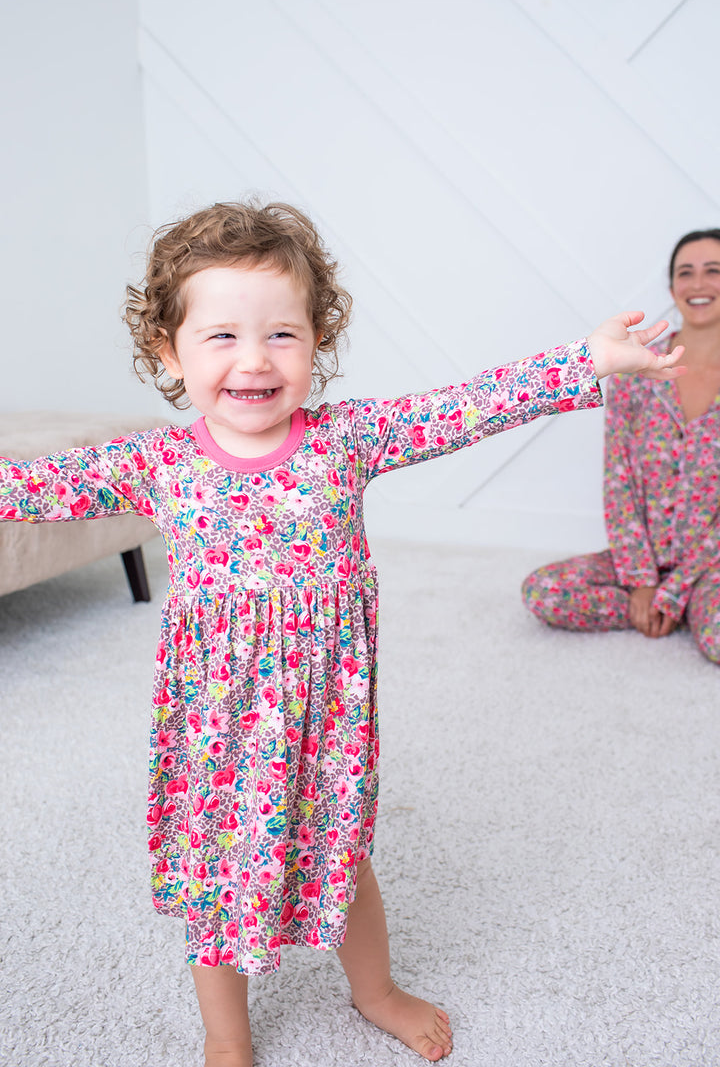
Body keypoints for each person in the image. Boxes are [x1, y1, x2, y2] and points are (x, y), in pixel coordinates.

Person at [0, 201, 684, 1067]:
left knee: (343, 855)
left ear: (317, 341)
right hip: (217, 731)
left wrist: (589, 361)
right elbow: (33, 486)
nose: (254, 360)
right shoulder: (156, 462)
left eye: (282, 334)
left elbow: (466, 407)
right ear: (169, 353)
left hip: (325, 723)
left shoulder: (345, 440)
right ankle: (227, 1036)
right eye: (220, 338)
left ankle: (376, 990)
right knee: (221, 886)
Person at [522, 229, 720, 664]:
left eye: (714, 271)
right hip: (640, 561)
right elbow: (619, 477)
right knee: (543, 592)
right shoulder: (637, 371)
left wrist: (677, 586)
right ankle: (658, 610)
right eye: (686, 273)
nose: (699, 284)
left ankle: (682, 607)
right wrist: (641, 581)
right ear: (673, 288)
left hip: (710, 565)